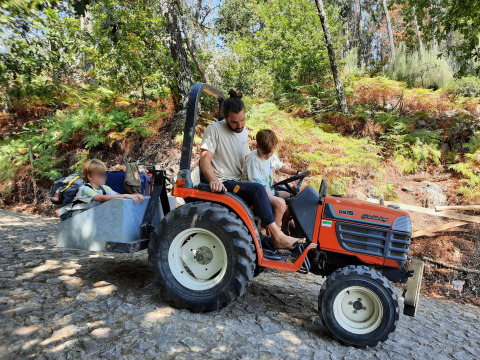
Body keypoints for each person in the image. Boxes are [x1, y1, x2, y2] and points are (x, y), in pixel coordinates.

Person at [200, 89, 304, 251]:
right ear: (225, 117)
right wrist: (213, 180)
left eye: (242, 120)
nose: (239, 125)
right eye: (234, 122)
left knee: (288, 192)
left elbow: (247, 158)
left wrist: (268, 176)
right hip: (226, 183)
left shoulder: (243, 131)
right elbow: (205, 160)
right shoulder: (214, 130)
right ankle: (277, 237)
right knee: (258, 189)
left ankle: (292, 232)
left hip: (241, 181)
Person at [242, 129, 306, 227]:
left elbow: (281, 166)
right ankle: (275, 237)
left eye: (270, 152)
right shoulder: (253, 161)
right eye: (265, 153)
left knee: (294, 197)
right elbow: (258, 187)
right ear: (257, 146)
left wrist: (296, 172)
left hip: (268, 191)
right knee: (280, 204)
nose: (268, 156)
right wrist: (275, 198)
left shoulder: (269, 155)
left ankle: (286, 229)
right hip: (256, 195)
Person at [59, 159, 144, 221]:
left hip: (84, 215)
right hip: (69, 216)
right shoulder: (85, 189)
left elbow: (116, 196)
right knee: (96, 214)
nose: (104, 177)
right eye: (100, 174)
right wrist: (126, 195)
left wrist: (133, 196)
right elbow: (101, 198)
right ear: (90, 176)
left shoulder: (104, 187)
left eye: (105, 174)